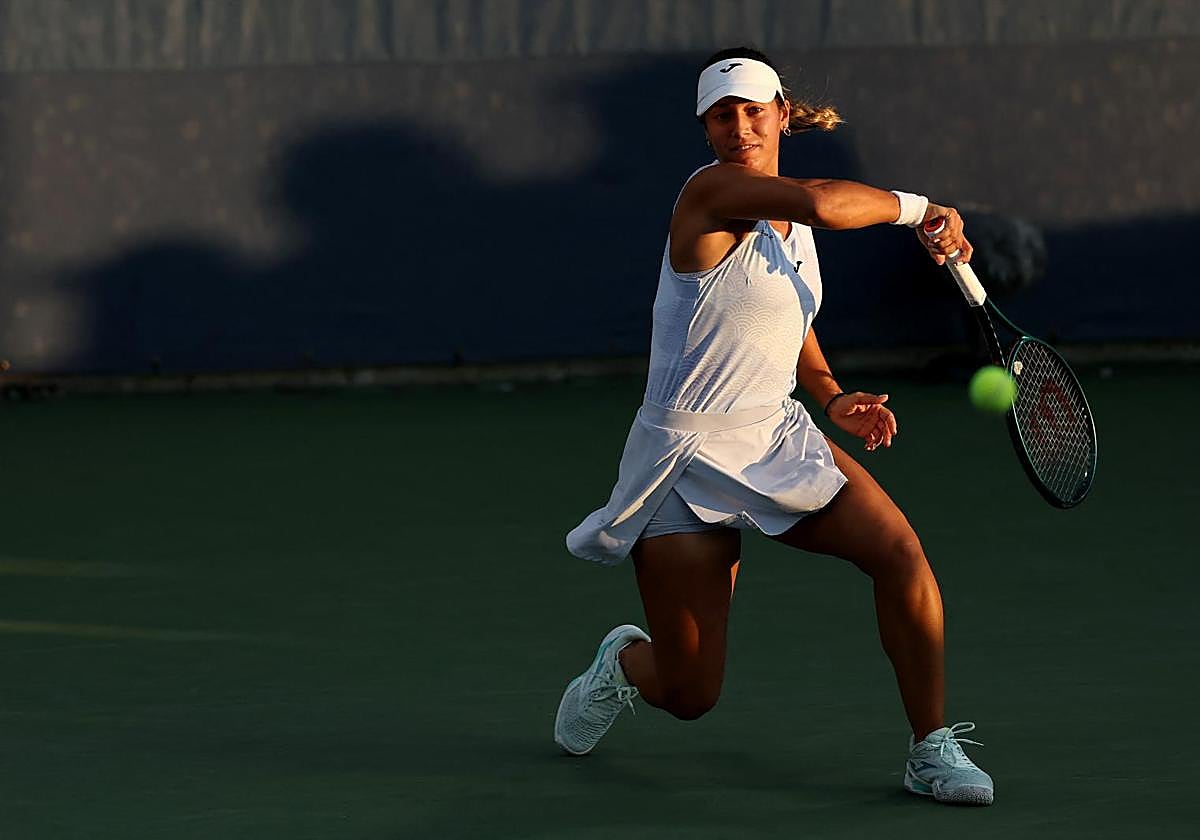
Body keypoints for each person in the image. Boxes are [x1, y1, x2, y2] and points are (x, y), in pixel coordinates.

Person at [553, 47, 994, 807]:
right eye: (722, 116)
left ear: (783, 115)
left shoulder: (785, 219)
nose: (740, 128)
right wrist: (922, 208)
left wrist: (829, 395)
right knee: (691, 694)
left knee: (900, 555)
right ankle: (624, 665)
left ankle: (930, 748)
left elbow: (788, 315)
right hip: (683, 457)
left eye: (754, 111)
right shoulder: (712, 193)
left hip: (774, 436)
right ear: (706, 129)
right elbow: (824, 203)